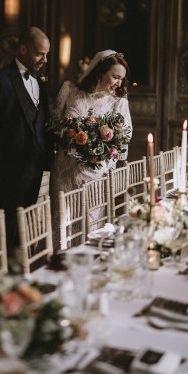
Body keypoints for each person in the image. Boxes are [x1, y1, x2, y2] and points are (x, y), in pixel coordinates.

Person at [0, 26, 53, 256]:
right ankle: (4, 279)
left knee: (23, 225)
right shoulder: (0, 80)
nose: (44, 59)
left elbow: (43, 120)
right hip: (9, 168)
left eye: (46, 54)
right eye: (39, 54)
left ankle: (16, 274)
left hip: (34, 166)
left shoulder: (41, 79)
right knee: (9, 227)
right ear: (23, 49)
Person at [49, 50, 132, 247]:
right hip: (63, 172)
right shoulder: (69, 90)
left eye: (122, 79)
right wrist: (68, 135)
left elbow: (122, 145)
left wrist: (99, 154)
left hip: (94, 175)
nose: (119, 83)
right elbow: (54, 124)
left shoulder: (118, 103)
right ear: (101, 72)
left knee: (89, 225)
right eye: (116, 76)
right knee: (61, 222)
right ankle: (58, 266)